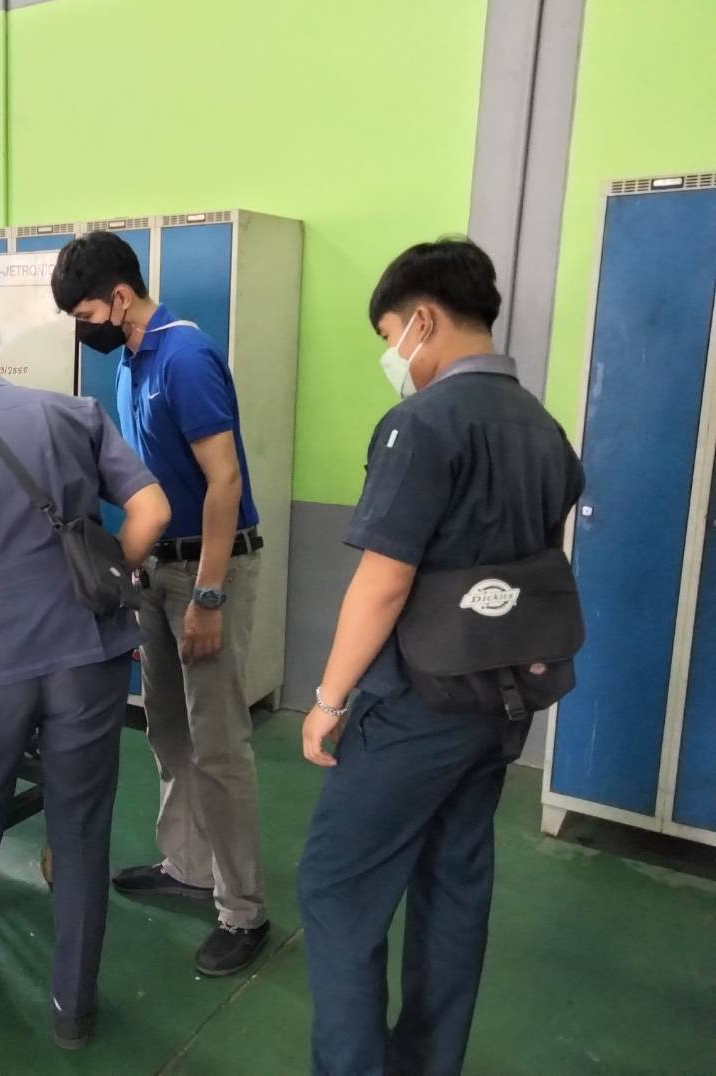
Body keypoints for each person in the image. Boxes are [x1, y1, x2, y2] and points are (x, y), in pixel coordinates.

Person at [295, 239, 584, 1076]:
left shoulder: (420, 424)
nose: (393, 356)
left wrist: (328, 699)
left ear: (421, 319)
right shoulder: (542, 427)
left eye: (390, 336)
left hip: (415, 705)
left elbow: (383, 583)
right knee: (453, 882)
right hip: (501, 701)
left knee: (337, 886)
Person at [0, 315, 170, 1050]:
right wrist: (104, 575)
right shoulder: (75, 414)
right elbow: (151, 509)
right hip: (87, 653)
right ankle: (72, 1011)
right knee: (78, 831)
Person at [51, 231, 270, 976]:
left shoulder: (184, 356)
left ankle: (243, 911)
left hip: (209, 570)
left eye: (87, 314)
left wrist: (207, 595)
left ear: (120, 297)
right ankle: (189, 865)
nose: (85, 329)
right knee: (168, 732)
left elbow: (224, 482)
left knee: (219, 745)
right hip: (157, 571)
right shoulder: (133, 361)